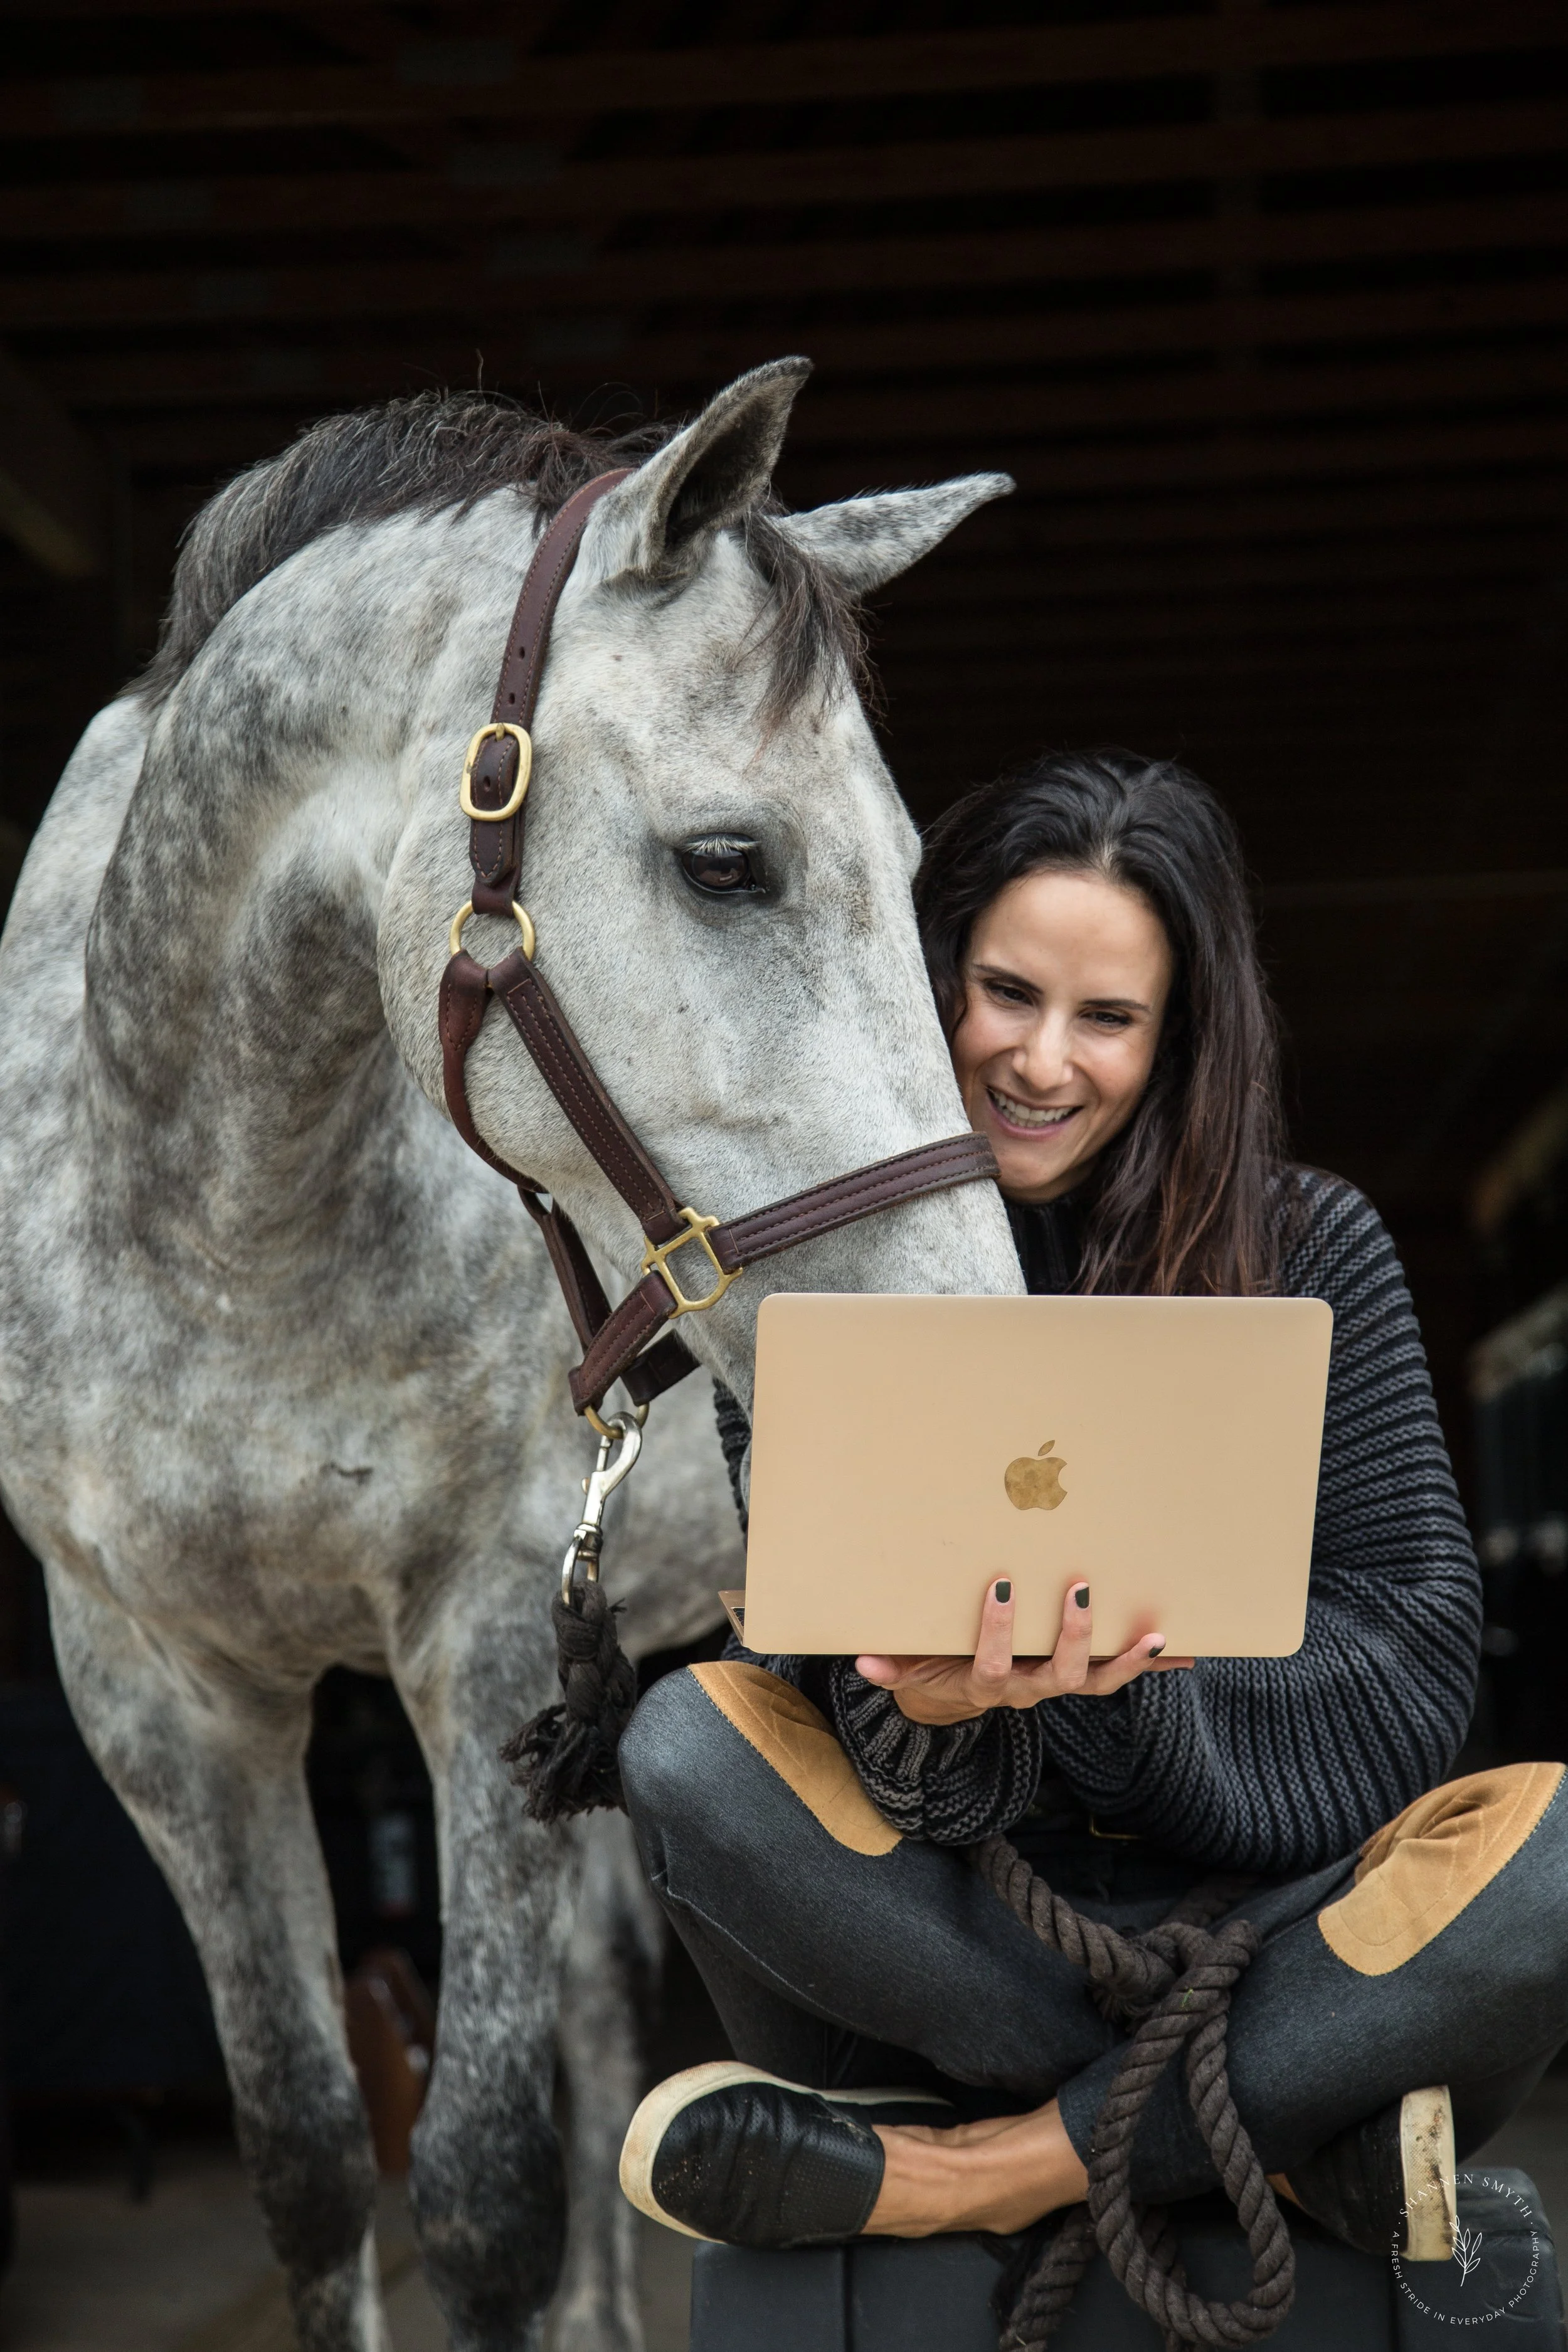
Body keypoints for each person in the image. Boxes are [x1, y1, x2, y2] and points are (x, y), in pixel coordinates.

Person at [615, 748, 1568, 2275]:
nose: (1041, 1061)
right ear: (924, 979)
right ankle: (1292, 2114)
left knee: (1561, 1858)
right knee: (681, 1746)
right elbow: (825, 1687)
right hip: (966, 1941)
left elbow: (1407, 1683)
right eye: (1003, 993)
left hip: (1267, 1920)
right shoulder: (814, 1293)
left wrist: (1142, 1700)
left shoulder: (1312, 1245)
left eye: (1105, 1017)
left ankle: (974, 2169)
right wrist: (928, 1719)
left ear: (1177, 1036)